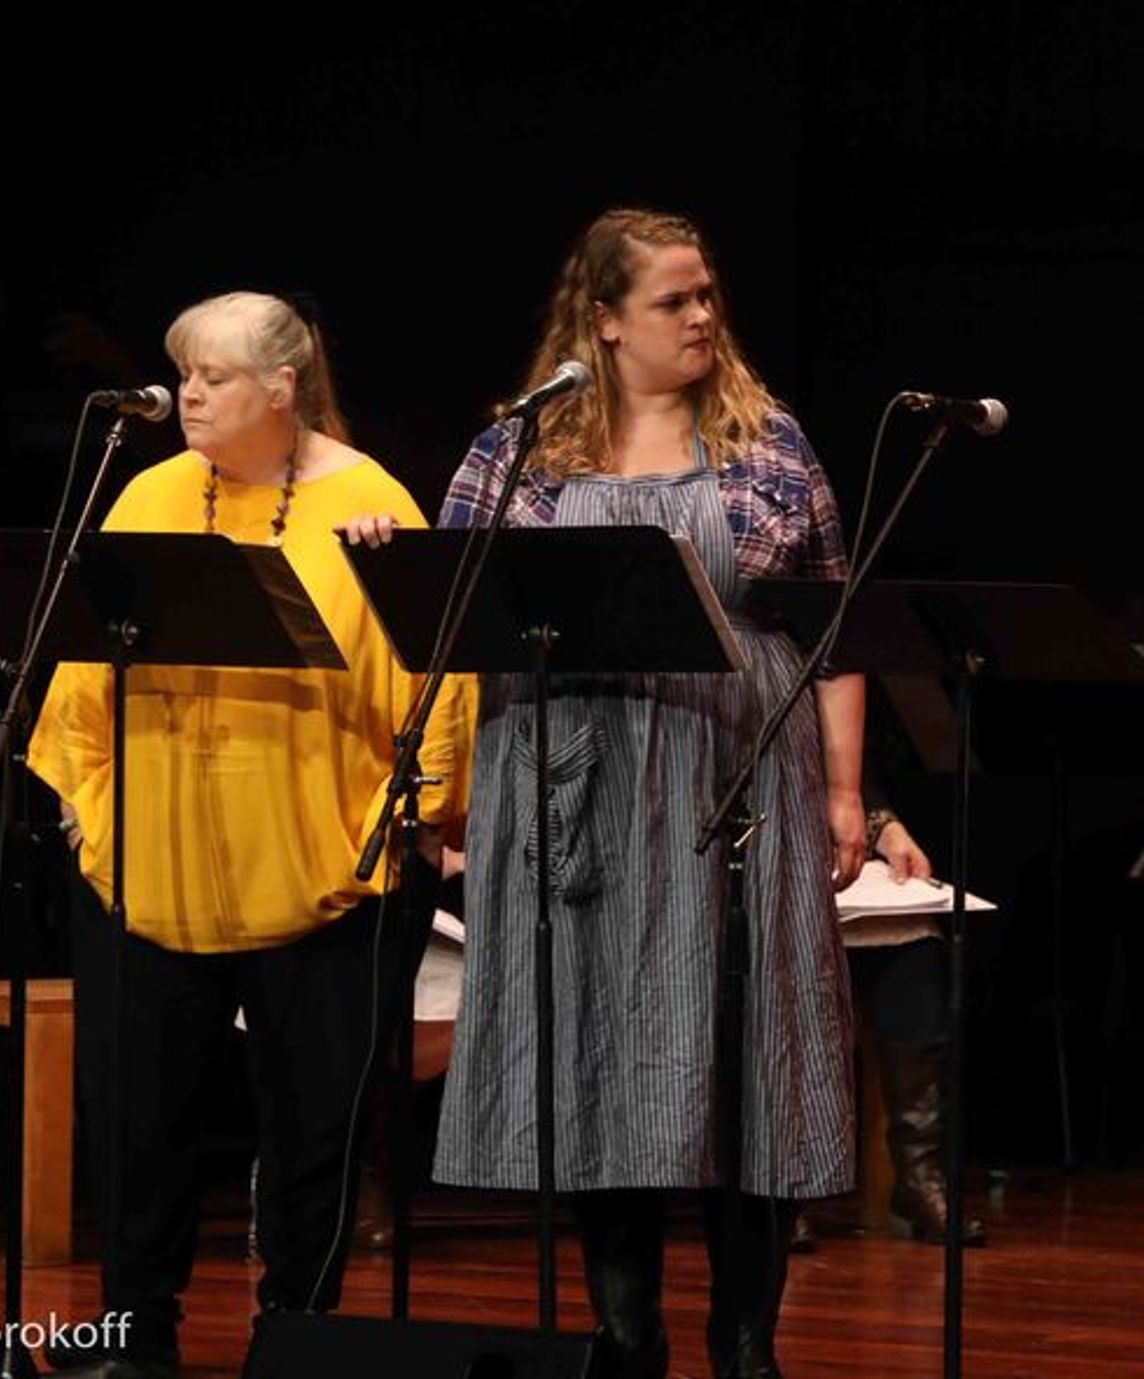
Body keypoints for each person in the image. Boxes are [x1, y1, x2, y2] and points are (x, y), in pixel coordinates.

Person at [347, 207, 864, 1379]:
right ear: (602, 321)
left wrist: (842, 792)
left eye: (704, 294)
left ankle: (746, 1346)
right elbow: (450, 609)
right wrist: (391, 548)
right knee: (593, 1051)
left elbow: (834, 633)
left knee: (747, 1054)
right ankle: (626, 1338)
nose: (700, 316)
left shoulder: (766, 443)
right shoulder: (518, 452)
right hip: (572, 780)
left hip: (729, 771)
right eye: (673, 299)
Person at [26, 291, 470, 1379]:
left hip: (321, 868)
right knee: (138, 1117)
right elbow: (84, 667)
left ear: (283, 386)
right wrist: (85, 801)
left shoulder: (370, 503)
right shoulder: (145, 493)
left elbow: (434, 681)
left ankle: (297, 1333)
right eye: (182, 371)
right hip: (154, 859)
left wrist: (406, 821)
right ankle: (136, 1333)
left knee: (313, 1126)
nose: (187, 394)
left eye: (213, 376)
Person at [789, 801, 988, 1250]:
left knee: (916, 943)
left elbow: (861, 773)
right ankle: (781, 1187)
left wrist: (884, 825)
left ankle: (918, 1176)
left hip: (847, 865)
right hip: (773, 855)